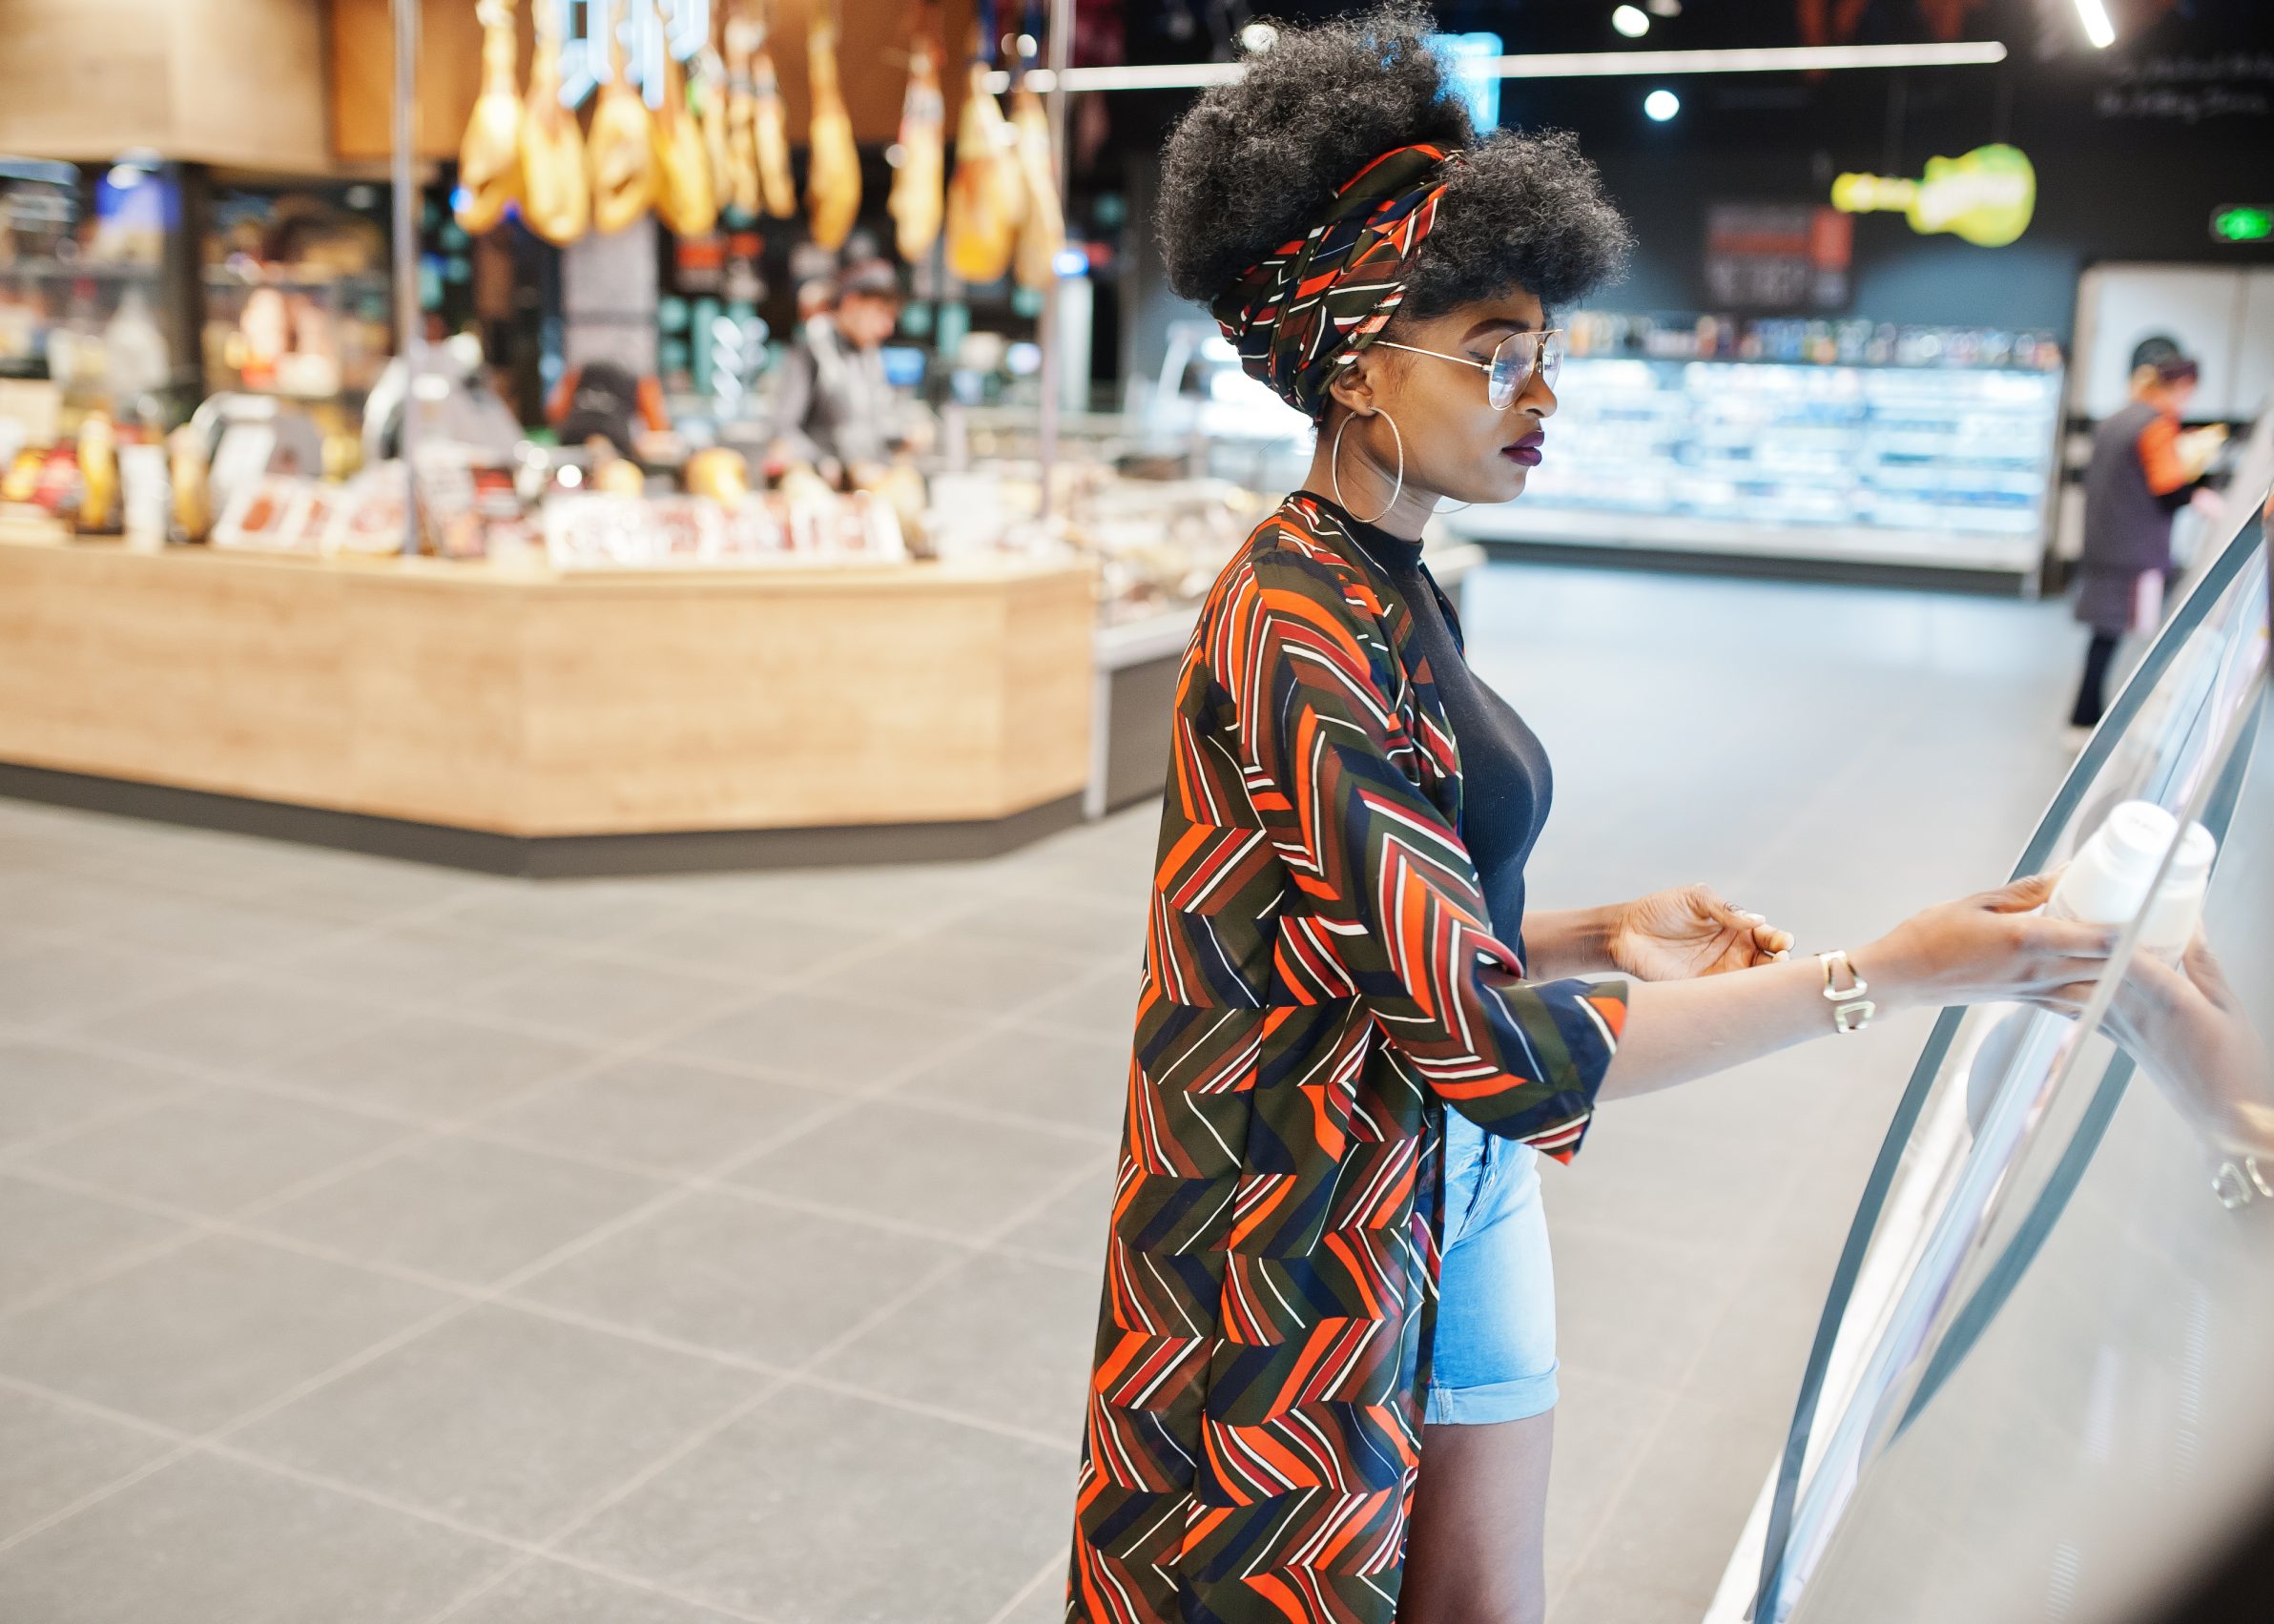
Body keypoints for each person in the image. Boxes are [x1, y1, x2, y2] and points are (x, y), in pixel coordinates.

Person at [1063, 10, 2117, 1623]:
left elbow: (1371, 922)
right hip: (1286, 1231)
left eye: (1545, 348)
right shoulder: (1293, 623)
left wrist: (1591, 927)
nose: (1539, 390)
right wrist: (1892, 970)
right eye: (1494, 348)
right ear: (1356, 358)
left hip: (1437, 1173)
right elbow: (1488, 1038)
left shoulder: (1392, 582)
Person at [2068, 336, 2225, 735]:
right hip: (2135, 552)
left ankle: (2086, 718)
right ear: (2181, 387)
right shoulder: (2155, 426)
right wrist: (2200, 491)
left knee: (2104, 634)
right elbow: (2168, 490)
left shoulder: (2118, 418)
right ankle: (2099, 722)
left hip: (2105, 543)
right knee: (2130, 637)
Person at [766, 259, 912, 483]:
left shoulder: (870, 353)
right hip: (824, 487)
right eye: (881, 312)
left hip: (871, 483)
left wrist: (902, 437)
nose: (888, 326)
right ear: (852, 303)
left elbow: (873, 423)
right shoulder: (813, 348)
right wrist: (826, 464)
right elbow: (783, 428)